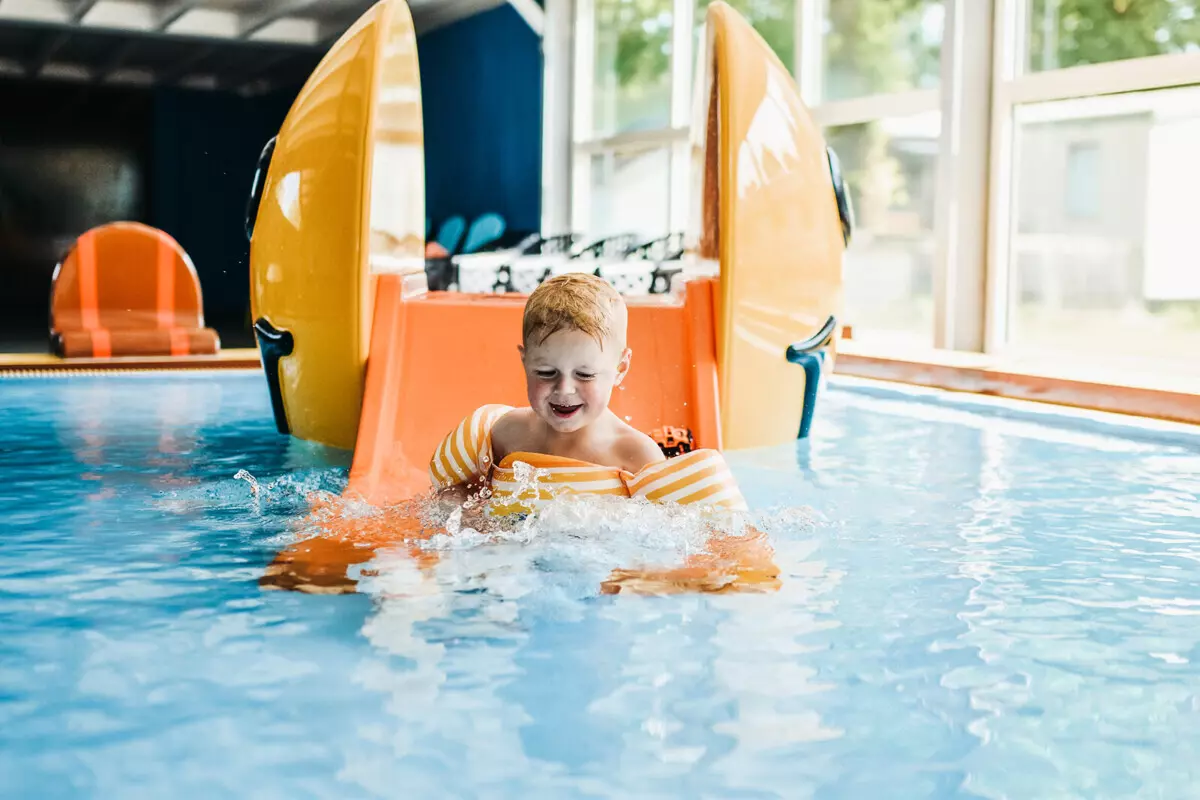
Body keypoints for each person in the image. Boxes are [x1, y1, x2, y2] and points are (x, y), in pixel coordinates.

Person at [428, 272, 749, 516]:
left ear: (620, 368)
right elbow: (453, 498)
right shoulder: (504, 435)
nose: (564, 389)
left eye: (585, 375)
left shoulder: (634, 455)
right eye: (546, 372)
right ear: (525, 362)